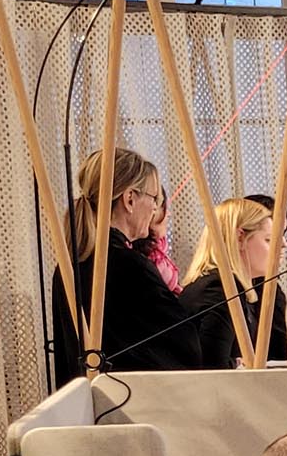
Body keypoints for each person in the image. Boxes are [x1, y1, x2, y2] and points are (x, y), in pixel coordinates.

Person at [50, 147, 205, 385]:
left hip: (86, 401)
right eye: (154, 199)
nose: (155, 209)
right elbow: (185, 347)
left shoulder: (69, 266)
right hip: (129, 401)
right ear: (130, 199)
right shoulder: (129, 266)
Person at [181, 194, 287, 367]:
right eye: (269, 239)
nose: (283, 245)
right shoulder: (219, 290)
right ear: (240, 238)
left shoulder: (226, 285)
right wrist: (239, 364)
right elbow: (214, 370)